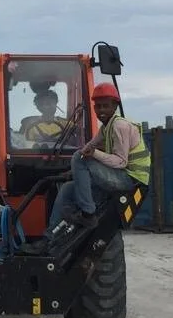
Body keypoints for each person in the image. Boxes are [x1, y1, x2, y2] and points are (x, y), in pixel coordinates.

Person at [46, 82, 150, 232]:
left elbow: (121, 162)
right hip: (120, 175)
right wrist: (71, 172)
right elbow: (88, 148)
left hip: (131, 179)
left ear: (114, 107)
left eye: (105, 106)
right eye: (98, 106)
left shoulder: (119, 126)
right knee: (68, 188)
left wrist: (93, 154)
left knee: (77, 157)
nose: (101, 110)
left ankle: (88, 213)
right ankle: (50, 237)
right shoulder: (106, 127)